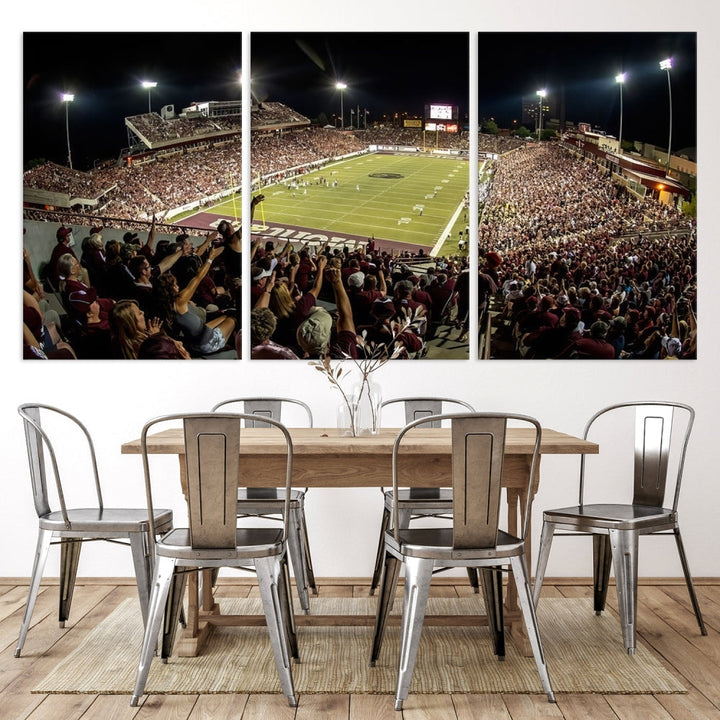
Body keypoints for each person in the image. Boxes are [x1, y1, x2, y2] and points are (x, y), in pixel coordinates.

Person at [153, 244, 236, 357]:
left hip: (196, 340)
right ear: (170, 288)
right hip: (206, 343)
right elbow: (198, 278)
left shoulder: (165, 304)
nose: (177, 286)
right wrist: (210, 258)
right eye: (175, 284)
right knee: (233, 319)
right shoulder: (180, 300)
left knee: (225, 316)